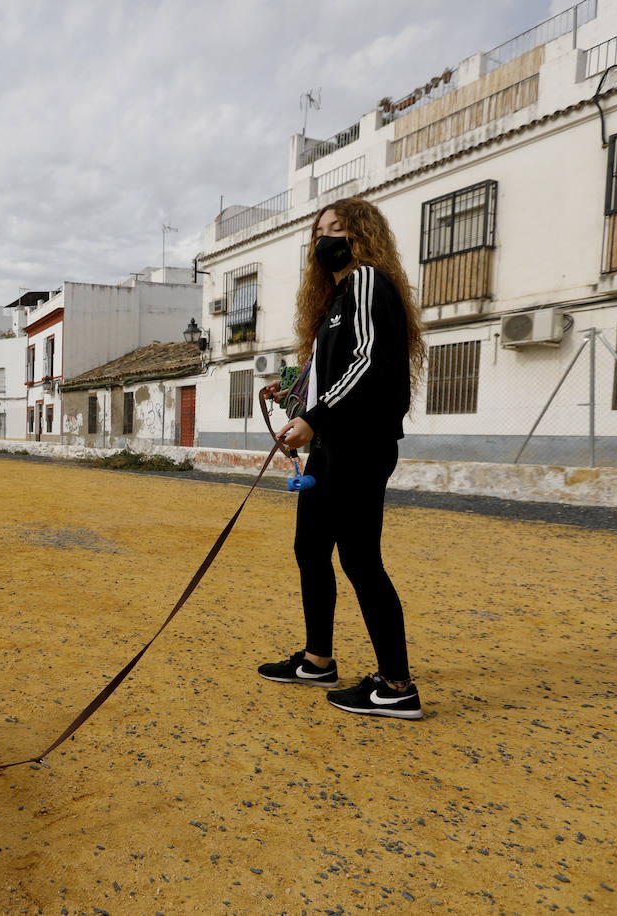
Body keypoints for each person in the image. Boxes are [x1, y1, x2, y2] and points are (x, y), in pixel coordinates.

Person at [256, 197, 426, 719]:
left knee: (359, 559)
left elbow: (370, 361)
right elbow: (325, 374)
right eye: (318, 232)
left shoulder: (371, 280)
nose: (324, 238)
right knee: (311, 549)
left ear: (362, 234)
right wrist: (287, 389)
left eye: (336, 228)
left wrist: (315, 418)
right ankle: (317, 660)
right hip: (332, 446)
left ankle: (397, 688)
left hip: (362, 443)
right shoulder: (336, 301)